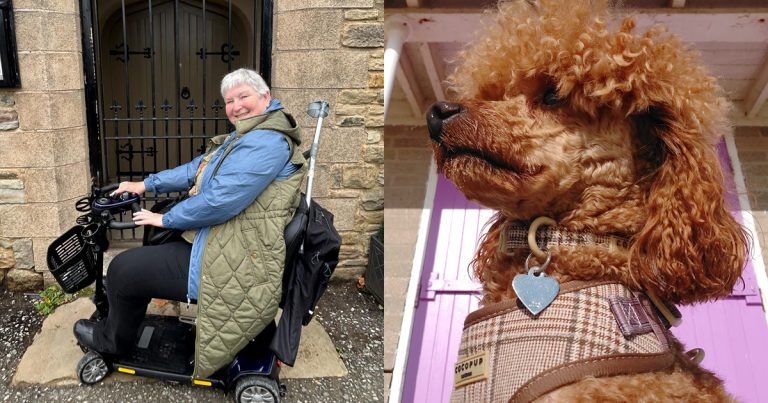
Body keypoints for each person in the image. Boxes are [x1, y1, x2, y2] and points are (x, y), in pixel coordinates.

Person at [73, 68, 307, 378]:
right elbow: (195, 170)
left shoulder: (265, 143)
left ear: (265, 97)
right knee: (153, 242)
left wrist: (165, 217)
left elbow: (221, 200)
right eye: (229, 100)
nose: (235, 106)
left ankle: (111, 342)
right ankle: (128, 307)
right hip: (230, 240)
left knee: (122, 270)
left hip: (233, 257)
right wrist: (144, 185)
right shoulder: (248, 135)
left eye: (243, 97)